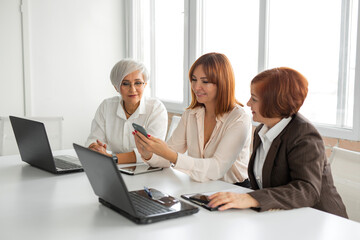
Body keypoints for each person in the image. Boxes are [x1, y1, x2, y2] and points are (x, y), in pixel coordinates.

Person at [208, 67, 348, 218]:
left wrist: (253, 198)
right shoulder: (262, 130)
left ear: (274, 103)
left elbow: (307, 190)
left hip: (321, 221)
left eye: (254, 99)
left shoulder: (305, 135)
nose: (248, 103)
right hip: (282, 217)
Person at [133, 52, 252, 185]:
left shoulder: (239, 118)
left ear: (222, 83)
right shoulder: (191, 114)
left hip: (234, 190)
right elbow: (169, 154)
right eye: (194, 79)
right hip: (200, 188)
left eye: (205, 81)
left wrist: (170, 155)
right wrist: (148, 153)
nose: (196, 87)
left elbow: (217, 169)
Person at [85, 59, 168, 164]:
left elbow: (152, 151)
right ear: (116, 87)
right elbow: (93, 139)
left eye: (138, 83)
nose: (132, 89)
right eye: (125, 83)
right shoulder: (106, 106)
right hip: (114, 168)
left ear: (145, 84)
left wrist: (111, 158)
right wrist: (96, 148)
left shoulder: (156, 109)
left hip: (147, 169)